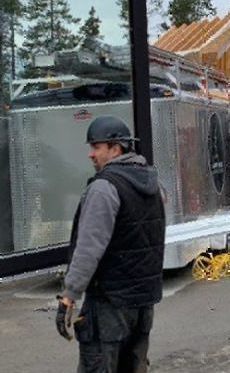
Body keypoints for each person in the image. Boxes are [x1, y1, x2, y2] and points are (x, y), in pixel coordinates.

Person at [58, 115, 165, 372]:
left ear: (115, 149)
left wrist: (69, 296)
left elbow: (88, 249)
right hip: (143, 303)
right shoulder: (153, 184)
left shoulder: (105, 188)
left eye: (96, 147)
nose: (91, 154)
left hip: (109, 303)